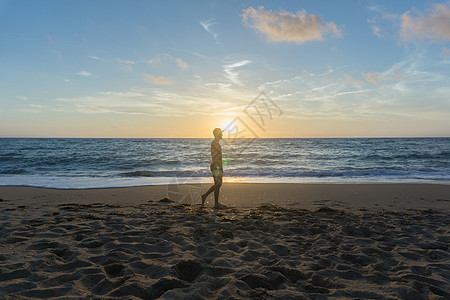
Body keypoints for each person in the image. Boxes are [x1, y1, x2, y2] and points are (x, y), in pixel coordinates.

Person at [201, 128, 225, 209]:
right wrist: (218, 167)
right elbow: (216, 157)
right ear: (217, 134)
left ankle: (215, 203)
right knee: (218, 184)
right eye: (221, 133)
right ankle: (206, 196)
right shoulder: (216, 144)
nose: (222, 135)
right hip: (216, 166)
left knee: (217, 184)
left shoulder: (215, 143)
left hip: (216, 165)